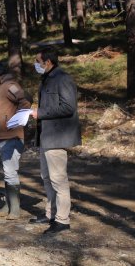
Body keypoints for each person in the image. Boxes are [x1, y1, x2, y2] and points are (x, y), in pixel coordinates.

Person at [30, 47, 81, 234]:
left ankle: (62, 220)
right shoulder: (46, 79)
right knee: (46, 178)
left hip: (57, 138)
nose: (35, 64)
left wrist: (40, 113)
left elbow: (69, 107)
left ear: (48, 62)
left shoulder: (63, 79)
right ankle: (51, 214)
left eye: (38, 61)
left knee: (59, 180)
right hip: (45, 137)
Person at [0, 62, 31, 220]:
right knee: (8, 172)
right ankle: (8, 207)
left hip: (12, 136)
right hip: (4, 136)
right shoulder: (1, 88)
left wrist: (16, 122)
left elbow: (25, 101)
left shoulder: (9, 86)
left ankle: (15, 210)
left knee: (11, 172)